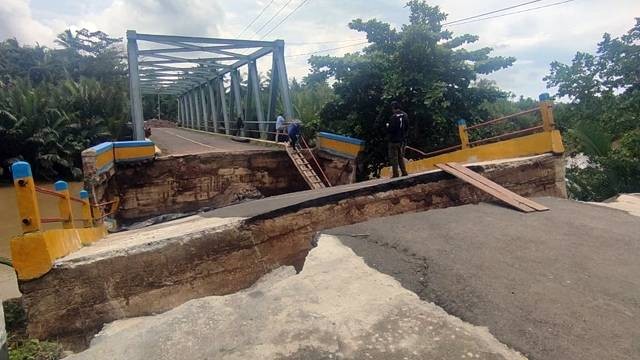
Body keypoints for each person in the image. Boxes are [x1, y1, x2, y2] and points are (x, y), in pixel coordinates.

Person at [386, 101, 409, 177]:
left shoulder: (393, 117)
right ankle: (404, 172)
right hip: (401, 140)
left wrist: (387, 126)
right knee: (400, 157)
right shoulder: (405, 115)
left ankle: (395, 174)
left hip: (393, 140)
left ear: (394, 108)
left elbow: (391, 129)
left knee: (394, 158)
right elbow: (406, 127)